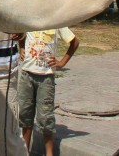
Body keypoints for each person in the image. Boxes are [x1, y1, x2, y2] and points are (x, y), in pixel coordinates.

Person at [17, 28, 80, 156]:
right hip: (27, 75)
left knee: (45, 118)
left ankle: (49, 153)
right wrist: (21, 47)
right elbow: (19, 33)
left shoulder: (56, 23)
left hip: (46, 77)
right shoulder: (30, 20)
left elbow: (75, 42)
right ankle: (24, 152)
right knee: (25, 115)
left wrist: (61, 63)